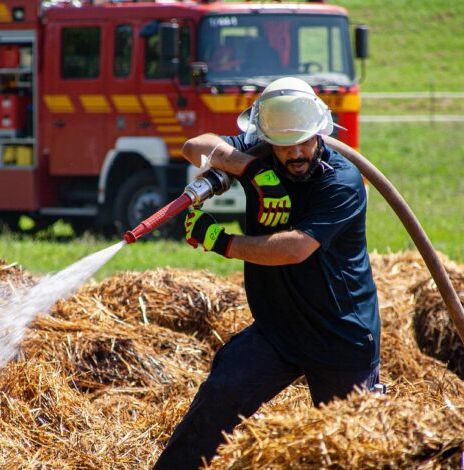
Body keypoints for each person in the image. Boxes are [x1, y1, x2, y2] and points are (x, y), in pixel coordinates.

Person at [154, 77, 380, 469]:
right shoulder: (262, 153)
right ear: (266, 138)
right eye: (284, 143)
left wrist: (223, 242)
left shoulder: (341, 181)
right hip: (278, 330)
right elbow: (194, 147)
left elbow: (294, 248)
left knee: (352, 449)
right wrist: (253, 170)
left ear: (319, 132)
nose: (295, 152)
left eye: (304, 141)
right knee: (222, 392)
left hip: (339, 336)